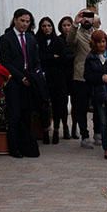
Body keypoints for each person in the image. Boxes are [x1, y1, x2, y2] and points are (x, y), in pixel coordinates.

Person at [0, 8, 42, 158]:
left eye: (27, 21)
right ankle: (14, 147)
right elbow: (6, 62)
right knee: (15, 115)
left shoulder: (30, 38)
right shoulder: (6, 38)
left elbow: (36, 60)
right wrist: (20, 77)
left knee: (27, 115)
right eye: (22, 21)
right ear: (15, 20)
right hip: (14, 82)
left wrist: (33, 75)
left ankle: (26, 146)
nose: (24, 24)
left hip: (29, 81)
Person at [83, 30, 107, 159]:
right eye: (99, 42)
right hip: (99, 95)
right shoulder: (91, 57)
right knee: (103, 123)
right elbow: (87, 76)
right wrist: (100, 78)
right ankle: (106, 148)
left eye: (103, 41)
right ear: (94, 43)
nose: (102, 44)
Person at [68, 6, 101, 149]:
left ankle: (98, 133)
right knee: (81, 108)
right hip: (80, 76)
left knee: (98, 106)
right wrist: (75, 23)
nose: (87, 19)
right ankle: (84, 135)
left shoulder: (97, 34)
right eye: (84, 16)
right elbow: (69, 41)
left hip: (96, 76)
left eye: (90, 16)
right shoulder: (77, 33)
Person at [36, 16, 68, 144]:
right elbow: (38, 57)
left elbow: (63, 58)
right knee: (44, 105)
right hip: (43, 78)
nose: (46, 28)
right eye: (44, 26)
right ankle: (45, 130)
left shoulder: (58, 41)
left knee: (58, 104)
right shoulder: (37, 40)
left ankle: (56, 130)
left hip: (58, 78)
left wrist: (50, 58)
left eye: (49, 25)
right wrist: (51, 57)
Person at [55, 16, 75, 139]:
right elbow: (58, 58)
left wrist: (64, 56)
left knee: (75, 103)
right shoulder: (57, 40)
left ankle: (74, 127)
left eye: (69, 25)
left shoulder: (75, 39)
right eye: (64, 25)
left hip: (74, 74)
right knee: (62, 103)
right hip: (61, 75)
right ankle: (65, 126)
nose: (67, 28)